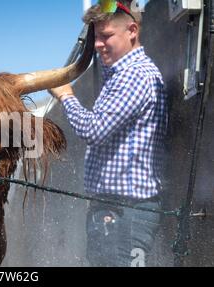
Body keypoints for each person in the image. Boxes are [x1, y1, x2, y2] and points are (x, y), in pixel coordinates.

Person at [49, 0, 168, 267]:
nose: (99, 44)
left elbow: (93, 130)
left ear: (132, 31)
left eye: (106, 36)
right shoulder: (120, 73)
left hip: (125, 212)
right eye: (96, 37)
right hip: (116, 210)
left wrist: (66, 95)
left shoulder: (134, 75)